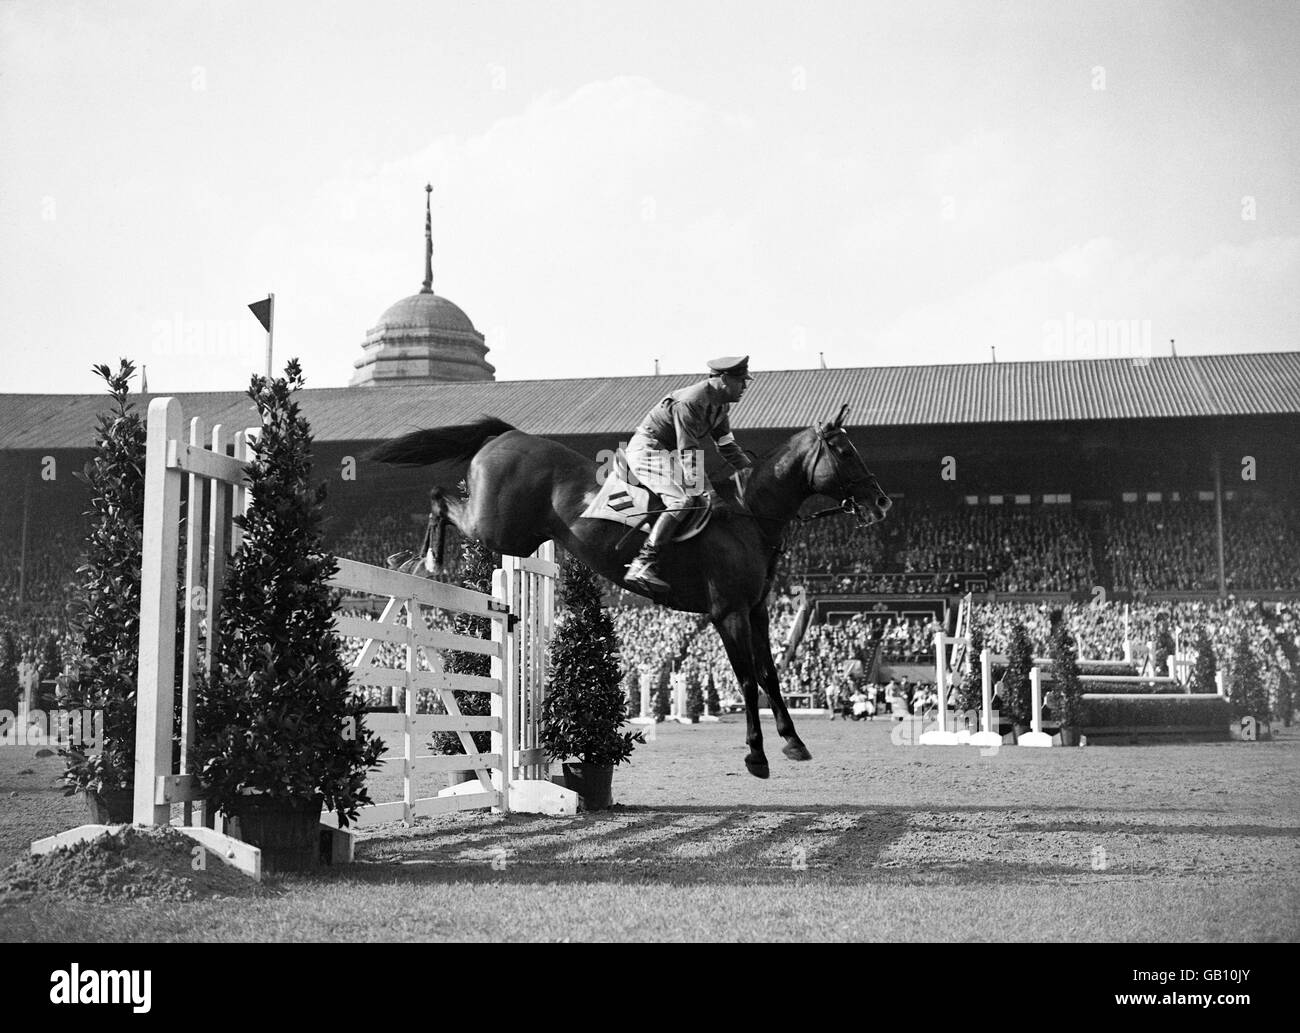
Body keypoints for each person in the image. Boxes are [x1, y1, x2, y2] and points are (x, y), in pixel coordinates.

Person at [624, 355, 755, 594]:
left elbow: (727, 446)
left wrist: (752, 472)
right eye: (741, 381)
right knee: (682, 499)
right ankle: (643, 563)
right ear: (724, 379)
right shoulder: (691, 402)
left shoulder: (721, 405)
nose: (745, 386)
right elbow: (689, 452)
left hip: (669, 453)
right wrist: (709, 492)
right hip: (648, 449)